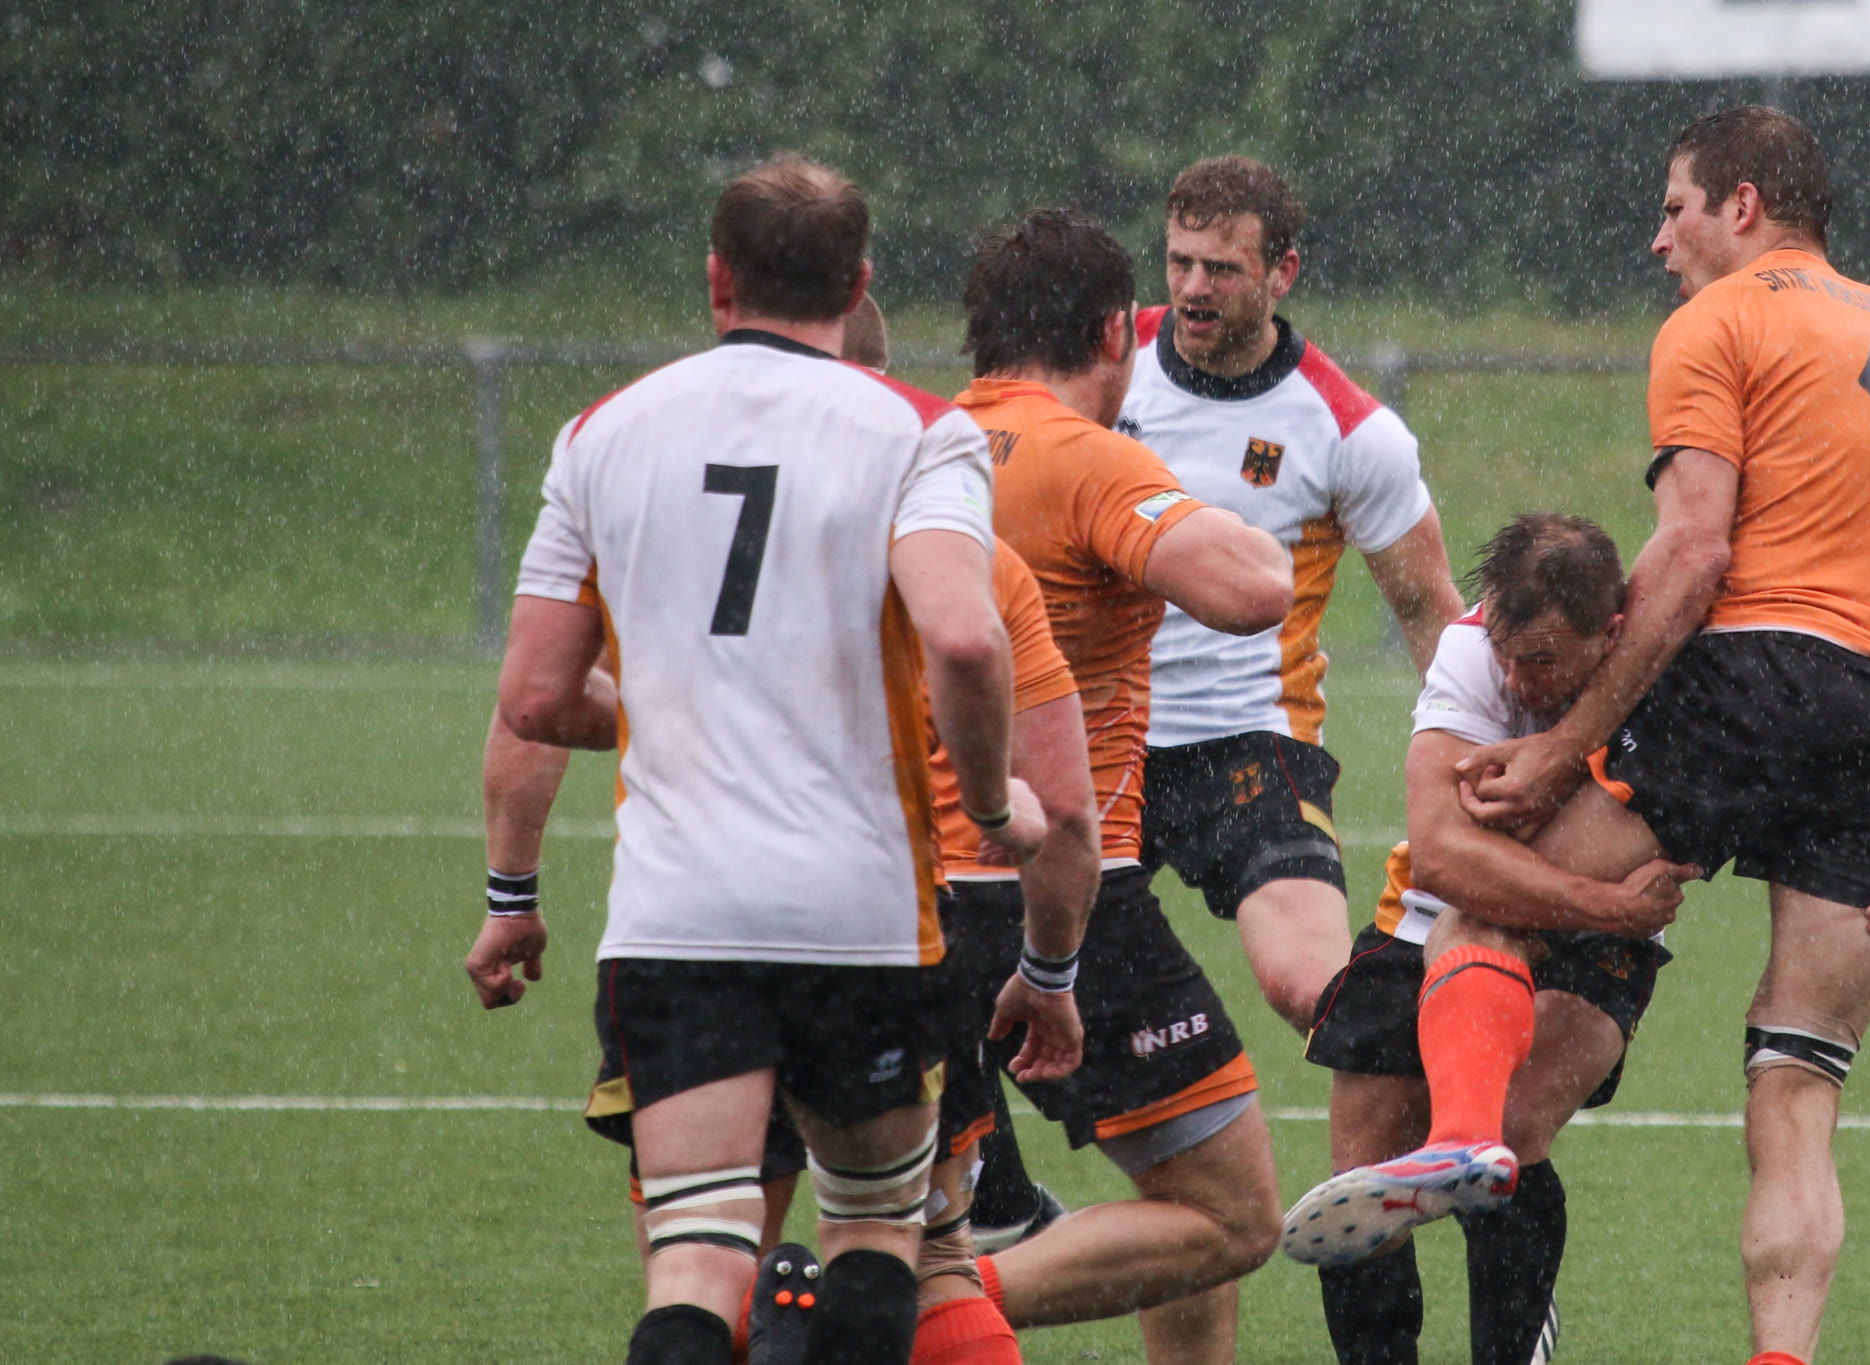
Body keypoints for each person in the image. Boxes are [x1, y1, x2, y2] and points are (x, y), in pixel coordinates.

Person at [1340, 107, 1870, 1365]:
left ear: (1741, 205)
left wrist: (1559, 744)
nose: (1657, 238)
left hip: (1761, 673)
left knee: (1486, 894)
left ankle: (1461, 1139)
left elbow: (1691, 553)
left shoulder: (1718, 319)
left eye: (1673, 206)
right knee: (1794, 1083)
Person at [469, 153, 1049, 1365]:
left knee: (694, 1256)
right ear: (859, 282)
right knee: (874, 1229)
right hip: (857, 914)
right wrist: (996, 803)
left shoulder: (601, 432)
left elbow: (532, 695)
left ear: (716, 278)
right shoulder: (919, 431)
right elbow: (961, 635)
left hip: (677, 915)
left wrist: (672, 707)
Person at [1282, 514, 1870, 1364]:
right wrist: (1604, 901)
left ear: (1615, 633)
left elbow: (1791, 766)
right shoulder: (1469, 651)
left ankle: (1512, 1338)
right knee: (1358, 1178)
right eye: (1508, 653)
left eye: (1544, 661)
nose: (1518, 679)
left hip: (1604, 938)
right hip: (1451, 912)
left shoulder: (1674, 667)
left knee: (1515, 1122)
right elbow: (1444, 858)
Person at [952, 208, 1294, 1365]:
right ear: (1116, 333)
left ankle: (908, 1300)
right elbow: (1249, 590)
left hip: (900, 893)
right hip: (1057, 889)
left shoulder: (919, 449)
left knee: (1156, 1201)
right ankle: (912, 1322)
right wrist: (1237, 522)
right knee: (1229, 1216)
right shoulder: (1085, 457)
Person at [1117, 155, 1467, 1035]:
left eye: (1221, 269)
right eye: (1178, 262)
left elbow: (1429, 610)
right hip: (1100, 727)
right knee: (993, 971)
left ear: (1283, 272)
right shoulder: (1105, 359)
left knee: (1316, 990)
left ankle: (1447, 1096)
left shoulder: (1350, 430)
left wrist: (1486, 761)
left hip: (1250, 741)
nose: (1193, 288)